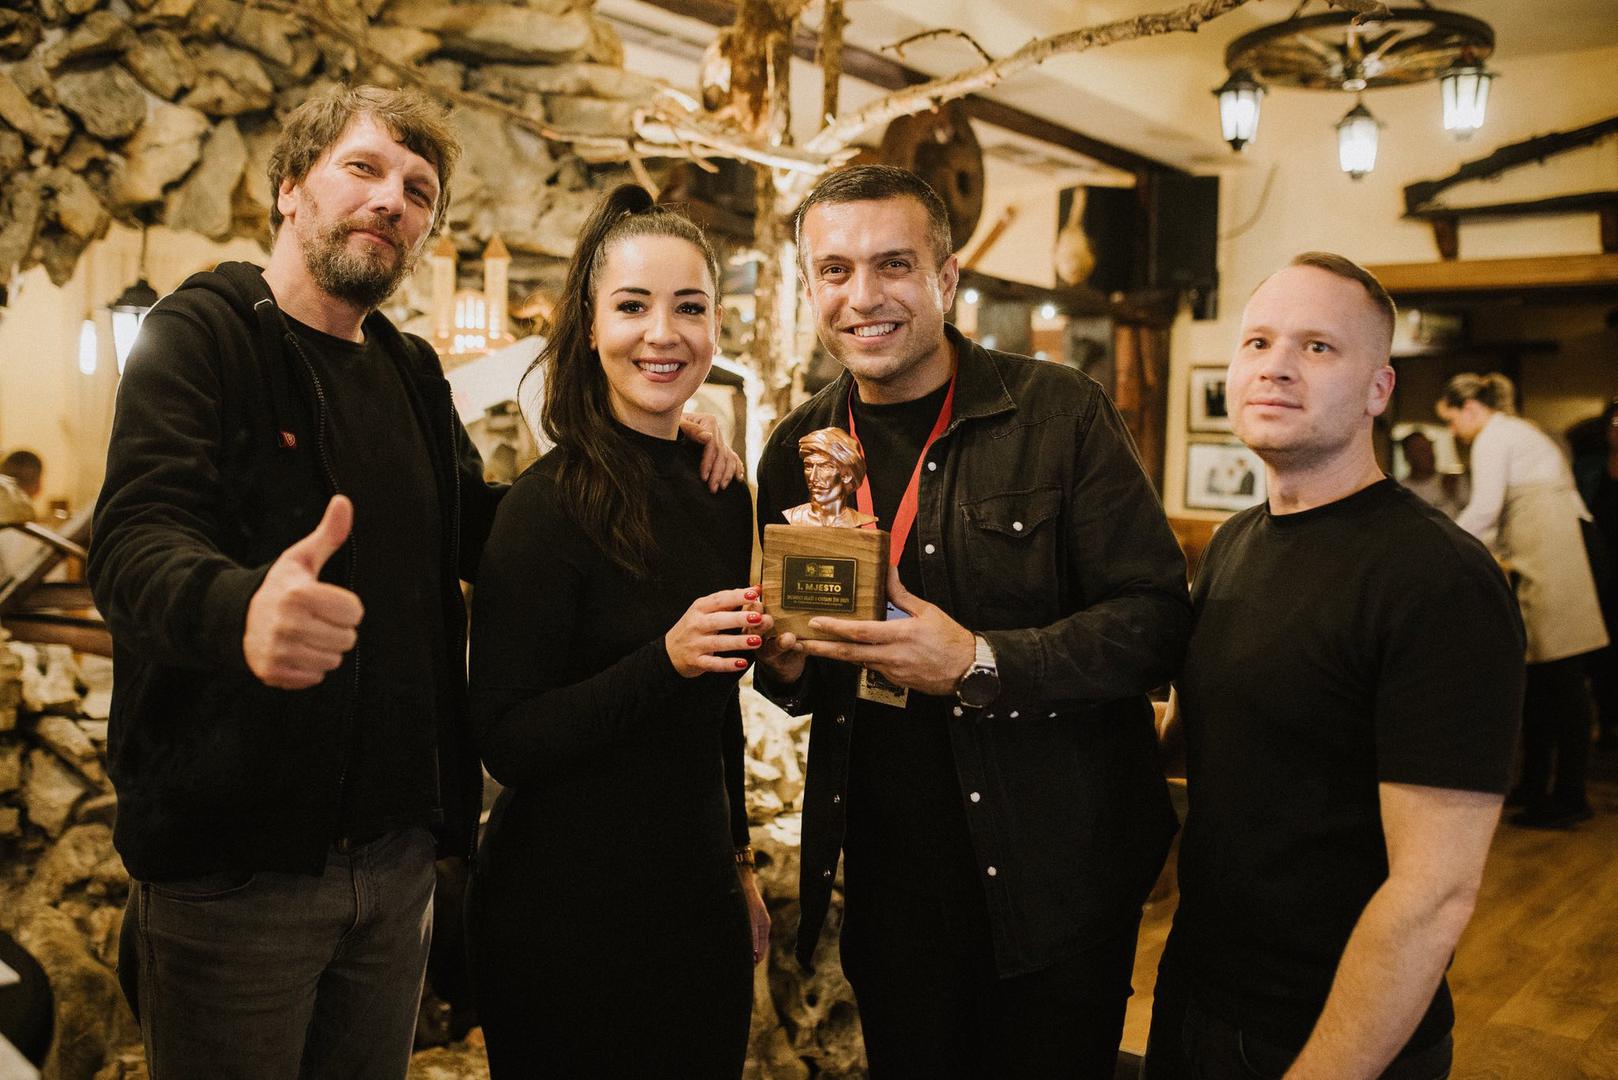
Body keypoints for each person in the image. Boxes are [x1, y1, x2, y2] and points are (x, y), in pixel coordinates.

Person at [87, 86, 741, 1078]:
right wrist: (239, 608)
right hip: (238, 865)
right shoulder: (203, 335)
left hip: (395, 865)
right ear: (289, 188)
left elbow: (494, 531)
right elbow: (133, 541)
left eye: (419, 189)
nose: (393, 199)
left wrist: (646, 447)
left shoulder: (407, 370)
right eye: (364, 169)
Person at [754, 164, 1190, 1076]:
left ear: (945, 278)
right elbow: (797, 680)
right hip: (890, 885)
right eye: (835, 270)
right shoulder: (796, 450)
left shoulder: (1059, 414)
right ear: (809, 288)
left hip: (1056, 878)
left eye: (893, 264)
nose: (863, 296)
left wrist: (978, 661)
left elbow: (1154, 624)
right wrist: (786, 662)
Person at [1145, 254, 1524, 1080]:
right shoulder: (1235, 541)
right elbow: (1201, 736)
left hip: (1331, 1031)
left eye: (1318, 347)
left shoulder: (1438, 579)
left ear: (1378, 389)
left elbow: (1434, 894)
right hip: (1196, 991)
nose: (1276, 365)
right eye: (1258, 342)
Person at [465, 185, 767, 1077]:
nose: (662, 334)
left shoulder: (722, 492)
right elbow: (508, 739)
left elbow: (716, 713)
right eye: (633, 306)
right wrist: (664, 660)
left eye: (689, 307)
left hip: (695, 901)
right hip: (563, 914)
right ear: (591, 326)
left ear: (716, 327)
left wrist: (740, 861)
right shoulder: (544, 506)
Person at [1439, 372, 1608, 828]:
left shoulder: (1495, 436)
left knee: (1562, 679)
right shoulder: (1514, 432)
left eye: (1451, 420)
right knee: (1541, 679)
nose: (1454, 431)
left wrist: (1438, 545)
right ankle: (1535, 786)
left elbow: (1485, 510)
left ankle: (1569, 796)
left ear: (1471, 408)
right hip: (1551, 549)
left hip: (1558, 552)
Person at [782, 427, 879, 526]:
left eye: (825, 467)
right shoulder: (793, 516)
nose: (812, 477)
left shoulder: (859, 520)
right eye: (809, 466)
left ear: (846, 476)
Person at [1397, 429, 1468, 518]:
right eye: (1422, 450)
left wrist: (1453, 494)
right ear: (1407, 456)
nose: (1429, 454)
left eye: (1430, 448)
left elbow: (1475, 512)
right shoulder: (1400, 491)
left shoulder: (1453, 480)